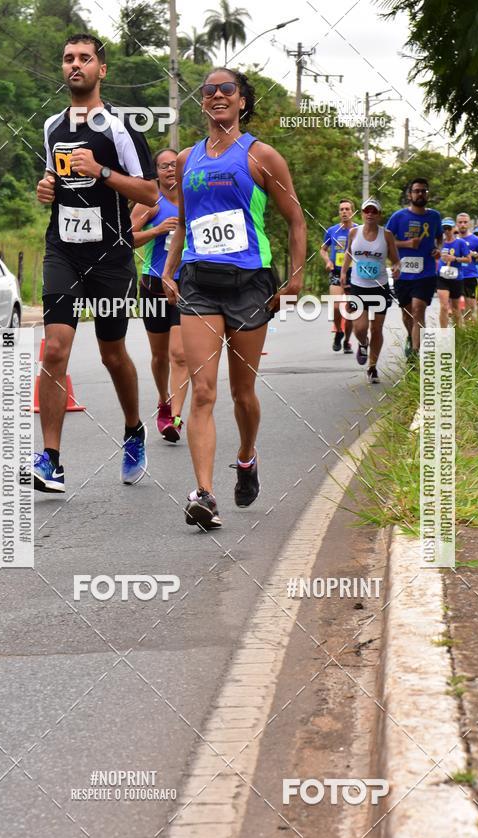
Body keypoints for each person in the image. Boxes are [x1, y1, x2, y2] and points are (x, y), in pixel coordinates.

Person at [162, 67, 306, 530]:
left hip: (249, 283)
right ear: (202, 101)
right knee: (202, 390)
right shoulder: (187, 158)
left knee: (242, 393)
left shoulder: (262, 156)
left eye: (228, 90)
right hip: (198, 282)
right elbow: (184, 223)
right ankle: (204, 494)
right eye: (210, 90)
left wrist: (295, 279)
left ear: (243, 101)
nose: (218, 95)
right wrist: (169, 268)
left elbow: (295, 219)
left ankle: (246, 456)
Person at [32, 33, 157, 493]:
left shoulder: (119, 128)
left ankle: (133, 430)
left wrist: (102, 172)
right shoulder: (52, 126)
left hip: (110, 257)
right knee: (55, 349)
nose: (75, 65)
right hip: (63, 250)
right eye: (68, 58)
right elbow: (53, 177)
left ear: (101, 70)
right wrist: (46, 187)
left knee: (111, 353)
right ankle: (51, 460)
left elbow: (150, 193)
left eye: (85, 58)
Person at [131, 148, 188, 442]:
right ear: (156, 173)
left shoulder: (192, 200)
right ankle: (164, 400)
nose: (170, 170)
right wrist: (157, 231)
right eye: (164, 166)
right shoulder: (150, 203)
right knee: (159, 356)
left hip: (185, 285)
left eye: (174, 165)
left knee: (179, 354)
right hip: (153, 286)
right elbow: (125, 238)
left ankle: (175, 417)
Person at [340, 198, 400, 384]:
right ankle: (363, 343)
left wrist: (397, 267)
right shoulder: (354, 232)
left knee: (376, 328)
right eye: (367, 210)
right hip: (358, 286)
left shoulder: (386, 235)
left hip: (379, 287)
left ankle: (372, 367)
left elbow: (395, 259)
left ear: (379, 215)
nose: (370, 214)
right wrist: (343, 272)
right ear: (362, 213)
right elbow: (349, 253)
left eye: (374, 211)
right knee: (360, 328)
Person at [386, 178, 442, 358]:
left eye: (424, 191)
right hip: (402, 273)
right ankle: (410, 336)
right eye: (417, 191)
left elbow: (439, 237)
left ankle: (416, 354)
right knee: (407, 313)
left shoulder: (434, 216)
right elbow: (386, 241)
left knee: (418, 309)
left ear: (427, 194)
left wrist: (438, 250)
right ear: (410, 195)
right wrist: (407, 244)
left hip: (426, 273)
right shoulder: (398, 217)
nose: (420, 194)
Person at [320, 198, 359, 353]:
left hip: (353, 274)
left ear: (353, 212)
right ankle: (339, 331)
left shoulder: (359, 230)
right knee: (336, 306)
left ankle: (347, 341)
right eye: (341, 209)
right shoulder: (332, 231)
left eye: (347, 209)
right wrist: (328, 261)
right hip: (336, 272)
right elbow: (323, 249)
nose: (344, 212)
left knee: (350, 311)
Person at [436, 218, 470, 328]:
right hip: (442, 277)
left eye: (449, 228)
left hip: (456, 278)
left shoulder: (460, 243)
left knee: (455, 308)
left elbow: (468, 259)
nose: (446, 231)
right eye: (444, 228)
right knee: (444, 306)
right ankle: (443, 334)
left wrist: (455, 259)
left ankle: (457, 332)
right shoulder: (439, 242)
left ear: (454, 228)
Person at [456, 213, 478, 323]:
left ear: (469, 224)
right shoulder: (452, 239)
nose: (463, 224)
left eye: (465, 222)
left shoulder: (475, 240)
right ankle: (458, 330)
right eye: (460, 222)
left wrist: (473, 254)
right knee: (454, 307)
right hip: (454, 276)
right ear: (457, 224)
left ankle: (471, 329)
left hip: (470, 276)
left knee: (470, 307)